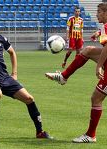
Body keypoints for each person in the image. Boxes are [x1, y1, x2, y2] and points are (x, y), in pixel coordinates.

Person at [45, 2, 107, 143]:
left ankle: (91, 135)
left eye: (99, 12)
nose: (96, 14)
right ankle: (63, 76)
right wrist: (98, 33)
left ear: (106, 13)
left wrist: (99, 66)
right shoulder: (104, 27)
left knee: (96, 98)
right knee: (88, 50)